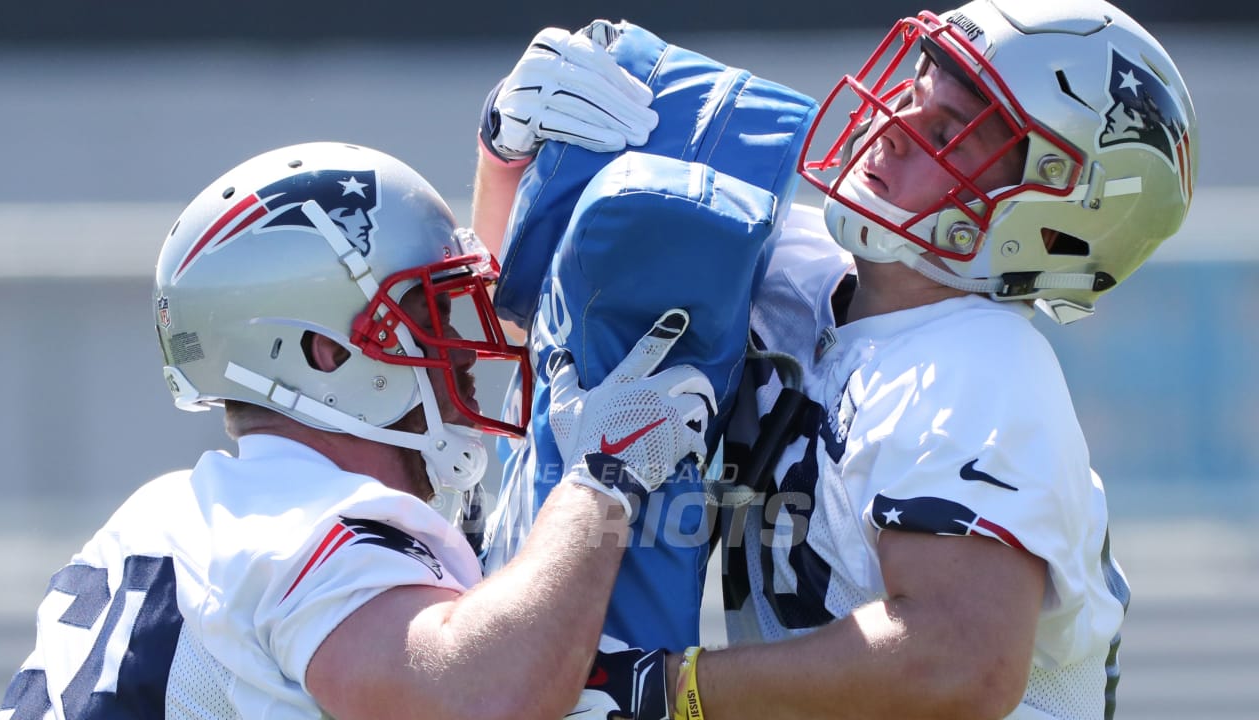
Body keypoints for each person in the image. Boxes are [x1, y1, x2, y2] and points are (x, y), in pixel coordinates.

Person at [473, 1, 1197, 717]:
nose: (893, 129)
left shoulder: (978, 368)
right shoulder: (799, 272)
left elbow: (959, 659)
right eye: (914, 94)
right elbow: (531, 320)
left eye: (950, 132)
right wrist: (513, 152)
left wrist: (670, 692)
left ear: (1045, 220)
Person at [0, 141, 716, 720]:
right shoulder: (306, 528)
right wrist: (605, 476)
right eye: (423, 315)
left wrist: (503, 167)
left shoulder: (176, 514)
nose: (462, 349)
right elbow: (485, 698)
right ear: (326, 354)